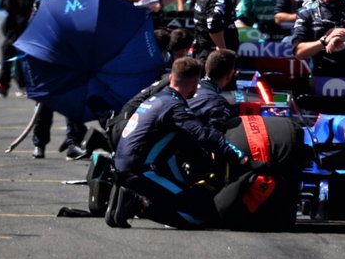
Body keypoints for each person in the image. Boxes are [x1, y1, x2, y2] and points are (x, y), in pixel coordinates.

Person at [107, 56, 250, 228]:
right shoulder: (175, 107)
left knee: (184, 193)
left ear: (172, 77)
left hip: (123, 163)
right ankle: (138, 202)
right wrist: (236, 155)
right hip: (140, 171)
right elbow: (203, 134)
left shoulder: (158, 98)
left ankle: (123, 200)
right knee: (196, 216)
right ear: (196, 83)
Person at [28, 0, 90, 160]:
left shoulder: (78, 0)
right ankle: (39, 144)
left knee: (73, 102)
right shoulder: (43, 1)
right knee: (45, 103)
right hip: (49, 59)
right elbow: (33, 30)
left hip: (72, 59)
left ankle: (73, 143)